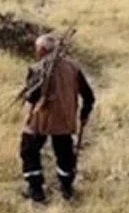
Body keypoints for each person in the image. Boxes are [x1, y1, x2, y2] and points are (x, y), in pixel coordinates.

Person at [20, 33, 95, 203]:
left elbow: (32, 97)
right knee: (64, 152)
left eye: (37, 49)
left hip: (40, 120)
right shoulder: (74, 68)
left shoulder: (38, 69)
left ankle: (35, 188)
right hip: (65, 119)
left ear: (42, 50)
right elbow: (89, 95)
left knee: (29, 149)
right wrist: (84, 113)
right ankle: (66, 187)